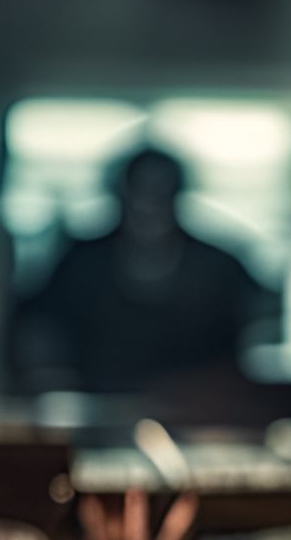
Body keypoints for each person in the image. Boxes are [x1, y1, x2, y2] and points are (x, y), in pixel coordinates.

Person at [14, 144, 270, 400]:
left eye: (161, 194)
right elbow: (40, 329)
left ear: (177, 196)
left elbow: (261, 333)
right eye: (138, 192)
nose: (148, 206)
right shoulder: (81, 264)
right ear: (120, 195)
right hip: (96, 412)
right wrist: (54, 384)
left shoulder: (219, 267)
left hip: (199, 414)